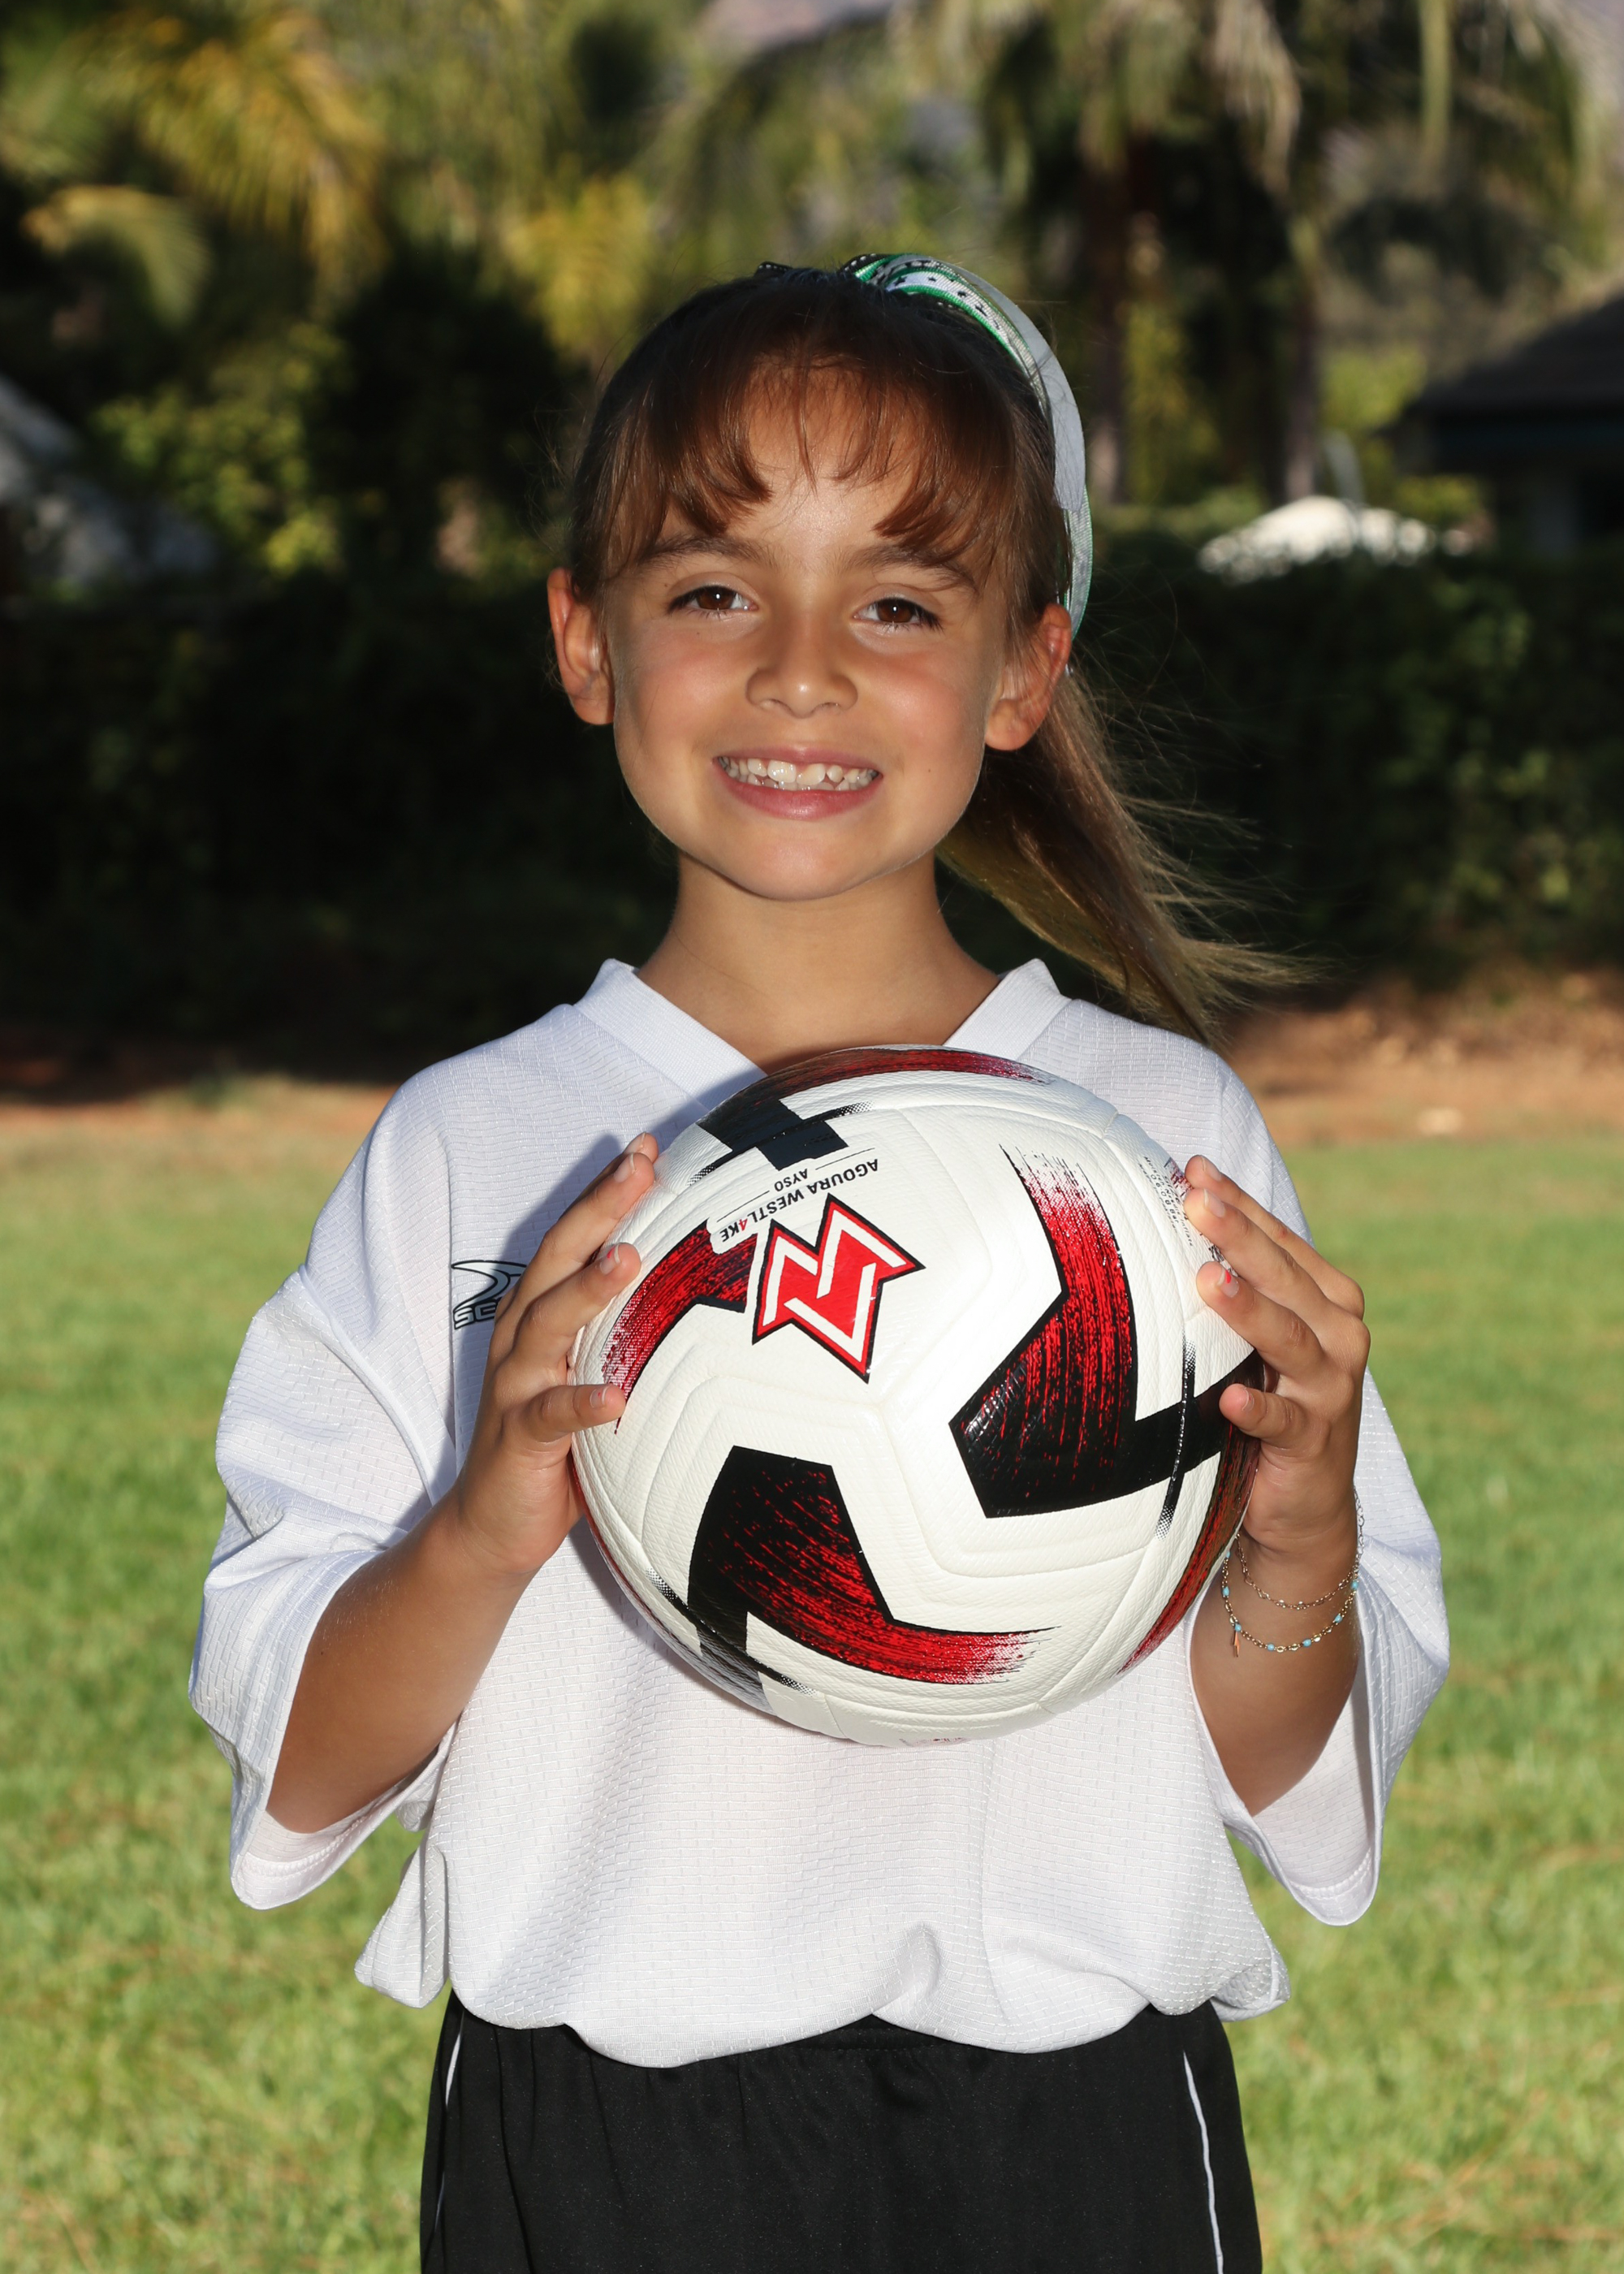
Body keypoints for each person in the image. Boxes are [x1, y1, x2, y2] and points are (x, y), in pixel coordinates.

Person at [192, 257, 1447, 2273]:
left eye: (897, 603)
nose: (798, 670)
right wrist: (484, 1523)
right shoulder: (473, 1149)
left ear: (1022, 671)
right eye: (712, 588)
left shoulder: (1163, 1147)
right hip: (600, 2154)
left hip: (1075, 2139)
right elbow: (307, 1756)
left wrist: (1294, 1535)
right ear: (584, 641)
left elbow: (1276, 1766)